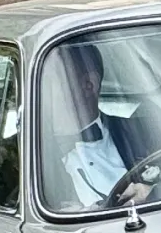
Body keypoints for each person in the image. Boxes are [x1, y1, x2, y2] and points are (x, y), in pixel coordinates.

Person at [49, 42, 133, 209]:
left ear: (89, 85)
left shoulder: (142, 132)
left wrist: (149, 189)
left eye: (46, 82)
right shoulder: (17, 154)